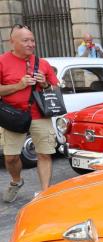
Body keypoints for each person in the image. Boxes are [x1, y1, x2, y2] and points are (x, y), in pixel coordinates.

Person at [0, 24, 59, 202]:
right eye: (26, 40)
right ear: (12, 42)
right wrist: (19, 85)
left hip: (40, 115)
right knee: (10, 158)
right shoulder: (2, 61)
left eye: (32, 40)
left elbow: (56, 88)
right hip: (13, 116)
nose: (31, 44)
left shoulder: (43, 63)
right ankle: (16, 181)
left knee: (44, 154)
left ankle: (45, 193)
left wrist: (45, 84)